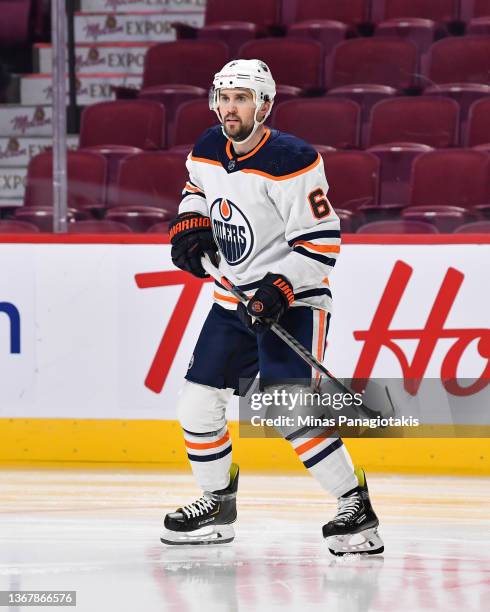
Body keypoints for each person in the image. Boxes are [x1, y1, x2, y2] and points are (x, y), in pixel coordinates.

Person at [162, 59, 384, 556]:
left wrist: (279, 289)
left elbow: (323, 244)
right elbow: (196, 190)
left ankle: (356, 507)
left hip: (296, 301)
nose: (229, 107)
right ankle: (217, 503)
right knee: (196, 405)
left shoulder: (293, 159)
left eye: (242, 97)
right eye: (223, 96)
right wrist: (189, 224)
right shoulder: (206, 148)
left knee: (289, 410)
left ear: (265, 104)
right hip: (231, 299)